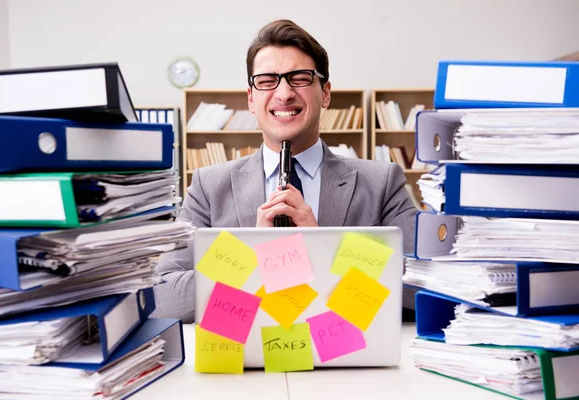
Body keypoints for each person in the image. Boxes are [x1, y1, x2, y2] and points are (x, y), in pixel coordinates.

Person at [152, 19, 417, 322]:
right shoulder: (209, 186)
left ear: (325, 93)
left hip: (346, 362)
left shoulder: (381, 182)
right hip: (247, 363)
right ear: (252, 98)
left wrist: (323, 248)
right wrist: (254, 259)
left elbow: (422, 287)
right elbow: (163, 297)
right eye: (266, 81)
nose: (284, 93)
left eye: (300, 78)